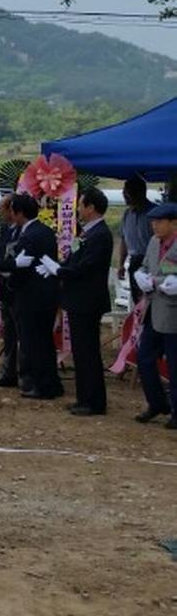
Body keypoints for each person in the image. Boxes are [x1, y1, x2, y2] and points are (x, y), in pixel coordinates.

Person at [38, 187, 113, 416]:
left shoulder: (100, 235)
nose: (78, 209)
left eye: (81, 205)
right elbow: (74, 259)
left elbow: (86, 267)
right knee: (80, 351)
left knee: (88, 351)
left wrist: (59, 271)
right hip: (77, 299)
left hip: (88, 300)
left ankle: (94, 401)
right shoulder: (87, 233)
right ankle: (83, 398)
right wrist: (58, 267)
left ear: (91, 208)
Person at [8, 192, 63, 401]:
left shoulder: (28, 236)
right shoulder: (46, 231)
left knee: (33, 342)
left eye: (13, 211)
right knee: (46, 341)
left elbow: (22, 269)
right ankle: (52, 382)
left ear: (20, 213)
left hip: (31, 296)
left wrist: (11, 283)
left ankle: (41, 385)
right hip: (48, 294)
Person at [133, 201, 177, 428]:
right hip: (153, 309)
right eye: (153, 222)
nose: (154, 226)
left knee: (174, 365)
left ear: (174, 223)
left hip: (173, 312)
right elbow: (145, 266)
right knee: (144, 358)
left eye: (159, 221)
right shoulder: (153, 242)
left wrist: (156, 282)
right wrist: (140, 275)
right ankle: (157, 403)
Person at [0, 192, 20, 387]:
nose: (0, 212)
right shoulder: (5, 229)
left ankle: (21, 371)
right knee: (8, 332)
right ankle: (8, 371)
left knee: (20, 332)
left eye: (3, 208)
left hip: (17, 287)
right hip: (5, 287)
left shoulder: (23, 230)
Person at [117, 175, 154, 306]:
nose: (125, 196)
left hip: (151, 262)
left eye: (128, 193)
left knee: (150, 301)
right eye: (124, 193)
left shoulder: (154, 213)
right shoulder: (127, 214)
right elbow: (124, 240)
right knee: (137, 301)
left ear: (139, 193)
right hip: (134, 261)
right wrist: (121, 264)